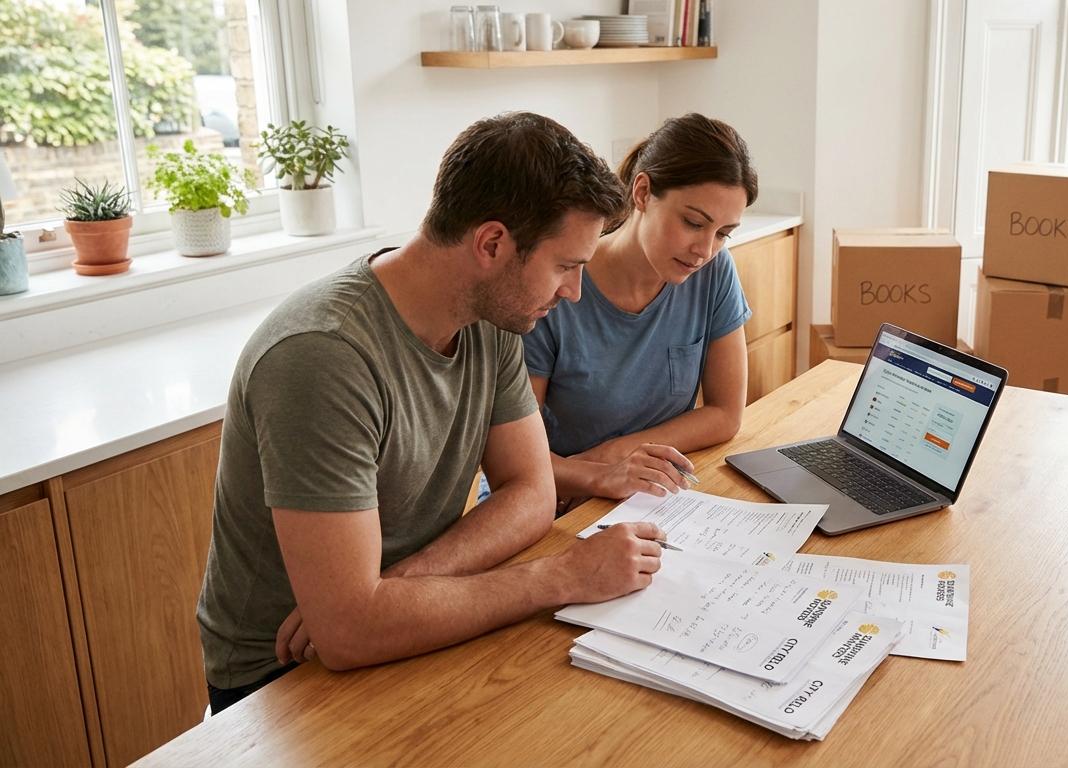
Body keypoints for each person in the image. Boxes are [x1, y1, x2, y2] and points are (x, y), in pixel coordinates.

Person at [196, 112, 669, 715]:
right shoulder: (322, 357)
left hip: (409, 618)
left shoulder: (493, 318)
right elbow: (346, 634)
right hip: (283, 678)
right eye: (565, 266)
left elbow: (532, 491)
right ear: (492, 244)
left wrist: (398, 586)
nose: (574, 292)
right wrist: (562, 577)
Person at [522, 113, 758, 508]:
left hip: (640, 492)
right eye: (693, 223)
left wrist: (618, 455)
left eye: (722, 234)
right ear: (643, 192)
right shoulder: (558, 285)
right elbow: (512, 463)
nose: (704, 250)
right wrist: (600, 474)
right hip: (552, 499)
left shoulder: (714, 271)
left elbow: (725, 414)